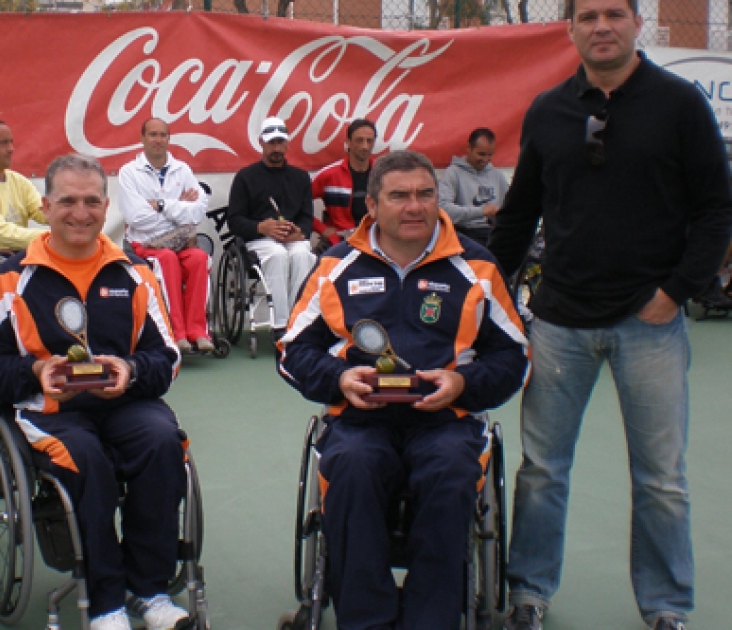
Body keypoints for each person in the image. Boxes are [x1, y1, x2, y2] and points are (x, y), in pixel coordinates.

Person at [486, 0, 732, 626]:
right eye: (588, 16)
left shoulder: (679, 105)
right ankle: (528, 595)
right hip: (560, 321)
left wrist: (676, 291)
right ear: (570, 28)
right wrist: (485, 291)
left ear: (635, 24)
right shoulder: (548, 110)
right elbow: (518, 215)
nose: (602, 27)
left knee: (661, 480)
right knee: (542, 470)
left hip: (650, 324)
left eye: (614, 14)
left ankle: (667, 606)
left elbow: (714, 210)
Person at [278, 150, 529, 630]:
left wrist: (462, 383)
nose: (414, 206)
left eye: (425, 194)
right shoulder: (336, 265)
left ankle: (429, 621)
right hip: (359, 419)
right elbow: (292, 349)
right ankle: (367, 620)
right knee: (350, 467)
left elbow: (514, 355)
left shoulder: (476, 266)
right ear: (372, 203)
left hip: (445, 420)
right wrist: (339, 379)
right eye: (399, 195)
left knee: (453, 473)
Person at [0, 154, 189, 630]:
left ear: (106, 206)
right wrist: (35, 372)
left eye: (92, 201)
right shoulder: (13, 277)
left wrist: (129, 371)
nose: (80, 212)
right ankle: (106, 602)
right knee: (83, 457)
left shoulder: (134, 273)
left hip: (126, 406)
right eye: (67, 201)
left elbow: (166, 358)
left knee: (162, 443)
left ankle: (149, 591)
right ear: (45, 207)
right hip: (51, 412)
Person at [118, 117, 213, 354]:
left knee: (200, 259)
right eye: (153, 135)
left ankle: (198, 332)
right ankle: (177, 333)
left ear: (169, 139)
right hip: (144, 245)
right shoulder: (129, 173)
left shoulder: (183, 169)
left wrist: (161, 205)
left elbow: (198, 212)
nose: (158, 140)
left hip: (181, 242)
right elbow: (137, 218)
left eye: (163, 135)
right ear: (142, 139)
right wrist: (180, 207)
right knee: (167, 259)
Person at [227, 116, 316, 336]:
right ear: (261, 143)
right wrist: (261, 228)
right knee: (277, 255)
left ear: (287, 144)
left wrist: (299, 233)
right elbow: (234, 220)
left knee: (303, 254)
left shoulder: (301, 177)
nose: (276, 148)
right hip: (260, 243)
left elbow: (307, 218)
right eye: (271, 143)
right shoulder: (245, 177)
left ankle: (299, 320)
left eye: (280, 143)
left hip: (292, 241)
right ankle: (281, 324)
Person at [0, 119, 48, 262]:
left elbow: (42, 212)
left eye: (11, 142)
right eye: (3, 143)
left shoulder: (19, 181)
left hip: (18, 258)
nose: (11, 148)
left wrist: (67, 216)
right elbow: (3, 234)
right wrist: (54, 238)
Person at [311, 118, 377, 248]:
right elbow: (297, 204)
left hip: (376, 241)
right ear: (348, 142)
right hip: (339, 242)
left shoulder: (384, 174)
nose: (365, 146)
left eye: (369, 141)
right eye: (359, 140)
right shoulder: (329, 174)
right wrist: (322, 229)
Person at [438, 127, 508, 247]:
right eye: (481, 154)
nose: (485, 160)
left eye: (490, 155)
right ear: (469, 148)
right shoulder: (453, 173)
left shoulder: (497, 176)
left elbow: (510, 208)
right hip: (464, 234)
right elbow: (442, 210)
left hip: (494, 234)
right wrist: (481, 211)